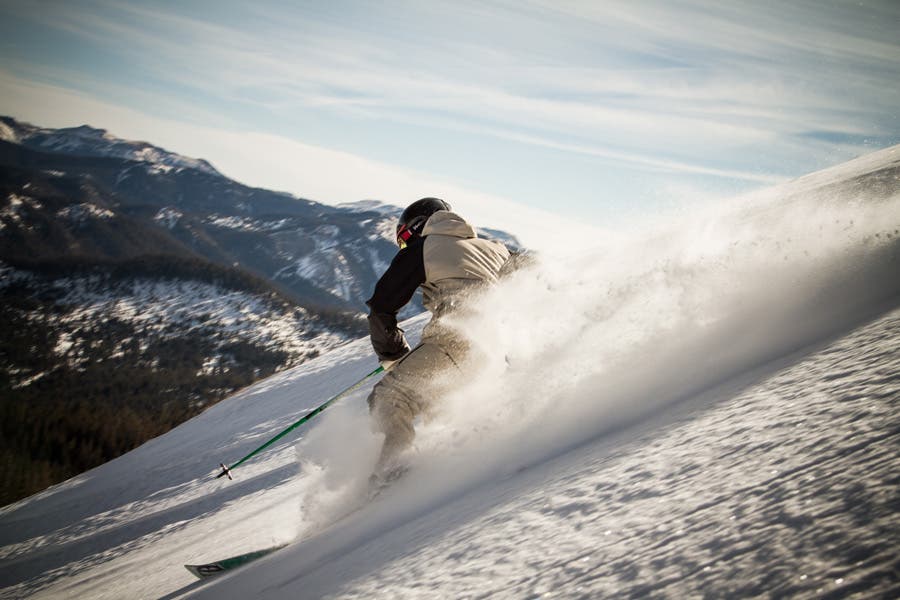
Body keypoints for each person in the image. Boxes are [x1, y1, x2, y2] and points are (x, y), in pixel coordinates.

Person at [365, 197, 510, 481]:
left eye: (404, 239)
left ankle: (393, 477)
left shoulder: (424, 247)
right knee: (439, 404)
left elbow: (382, 307)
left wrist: (393, 356)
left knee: (390, 397)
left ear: (418, 227)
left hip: (456, 340)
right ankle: (444, 469)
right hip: (497, 350)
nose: (404, 247)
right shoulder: (497, 249)